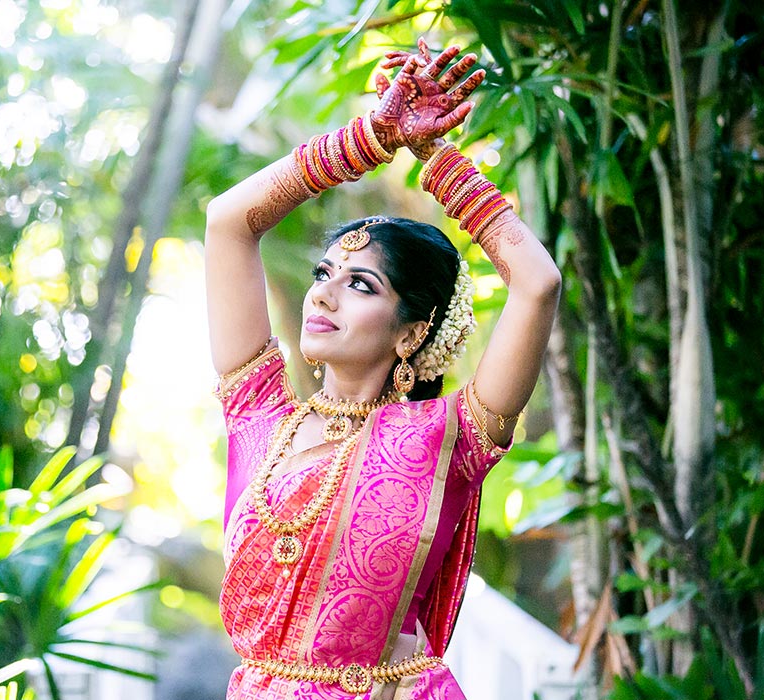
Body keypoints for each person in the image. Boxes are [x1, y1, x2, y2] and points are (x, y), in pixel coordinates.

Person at [204, 39, 561, 700]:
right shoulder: (258, 414)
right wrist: (373, 135)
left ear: (414, 331)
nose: (323, 294)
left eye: (362, 285)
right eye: (323, 273)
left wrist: (434, 155)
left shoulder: (447, 438)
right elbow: (228, 222)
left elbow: (537, 284)